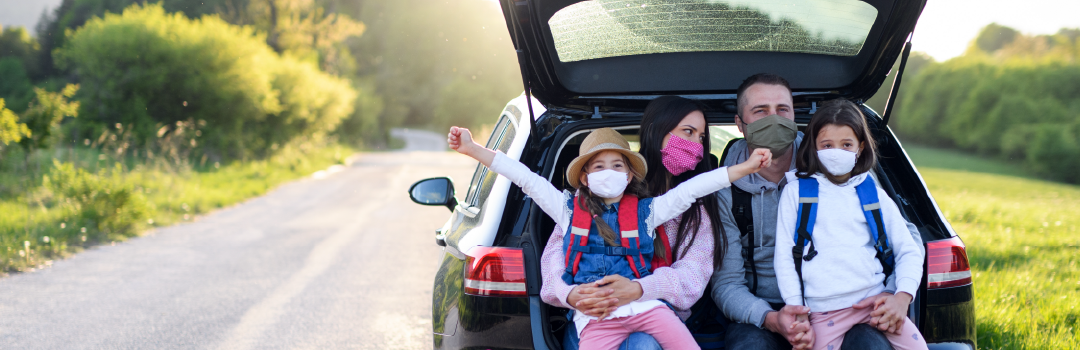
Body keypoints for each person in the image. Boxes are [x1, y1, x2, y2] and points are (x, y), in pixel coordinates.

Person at [447, 125, 771, 350]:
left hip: (647, 308)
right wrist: (472, 149)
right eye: (599, 166)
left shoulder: (649, 212)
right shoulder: (566, 210)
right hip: (594, 320)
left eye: (617, 165)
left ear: (629, 175)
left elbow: (692, 190)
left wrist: (743, 168)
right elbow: (525, 178)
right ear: (585, 178)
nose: (609, 172)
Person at [710, 73, 921, 350]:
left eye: (782, 109)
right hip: (764, 309)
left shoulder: (838, 162)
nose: (774, 118)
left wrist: (896, 294)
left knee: (869, 344)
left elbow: (907, 237)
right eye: (761, 111)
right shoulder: (723, 190)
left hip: (854, 302)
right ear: (740, 124)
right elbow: (726, 284)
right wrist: (772, 318)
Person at [562, 96, 732, 350]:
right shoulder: (603, 191)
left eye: (701, 137)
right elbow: (554, 258)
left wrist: (638, 289)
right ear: (655, 130)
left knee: (644, 344)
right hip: (593, 315)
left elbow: (693, 275)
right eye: (687, 131)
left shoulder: (698, 210)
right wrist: (570, 295)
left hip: (656, 317)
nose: (696, 145)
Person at [774, 99, 927, 350]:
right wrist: (796, 309)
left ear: (861, 147)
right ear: (813, 147)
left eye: (846, 145)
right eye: (827, 145)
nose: (837, 152)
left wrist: (902, 297)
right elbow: (784, 259)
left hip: (877, 306)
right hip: (823, 314)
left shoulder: (873, 193)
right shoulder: (795, 193)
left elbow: (908, 250)